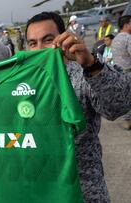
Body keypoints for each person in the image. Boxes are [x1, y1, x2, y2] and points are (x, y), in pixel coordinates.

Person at [26, 12, 131, 202]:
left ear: (63, 38)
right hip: (42, 190)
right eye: (33, 43)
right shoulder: (23, 84)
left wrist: (92, 65)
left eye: (47, 40)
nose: (40, 49)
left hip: (84, 191)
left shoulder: (82, 74)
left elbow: (119, 105)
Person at [111, 15, 131, 130]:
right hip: (128, 72)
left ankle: (126, 120)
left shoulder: (116, 38)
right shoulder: (128, 38)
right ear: (126, 25)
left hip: (118, 73)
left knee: (125, 97)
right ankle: (128, 121)